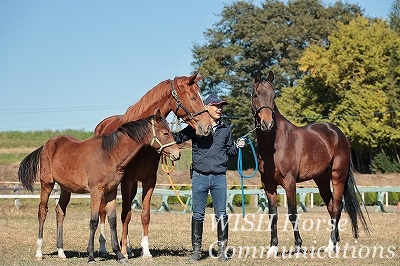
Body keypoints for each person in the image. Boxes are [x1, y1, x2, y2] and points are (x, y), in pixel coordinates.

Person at [173, 94, 245, 262]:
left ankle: (222, 251)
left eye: (221, 106)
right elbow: (177, 138)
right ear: (206, 107)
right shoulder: (195, 127)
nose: (220, 109)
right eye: (216, 105)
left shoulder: (226, 129)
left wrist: (237, 146)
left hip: (219, 177)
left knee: (221, 214)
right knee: (198, 215)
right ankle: (196, 251)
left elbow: (230, 151)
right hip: (199, 177)